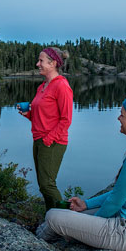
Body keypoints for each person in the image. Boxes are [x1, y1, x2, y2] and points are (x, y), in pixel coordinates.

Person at [36, 93, 126, 251]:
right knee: (70, 211)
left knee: (53, 216)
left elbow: (114, 202)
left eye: (122, 115)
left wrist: (88, 226)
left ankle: (35, 244)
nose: (118, 118)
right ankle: (46, 236)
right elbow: (119, 193)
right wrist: (86, 205)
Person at [19, 47, 73, 211]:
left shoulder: (62, 86)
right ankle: (52, 218)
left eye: (41, 61)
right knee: (44, 185)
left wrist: (48, 140)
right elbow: (41, 116)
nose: (37, 64)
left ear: (53, 63)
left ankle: (62, 221)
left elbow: (66, 120)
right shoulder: (43, 86)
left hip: (53, 141)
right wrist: (28, 114)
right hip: (39, 139)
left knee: (47, 185)